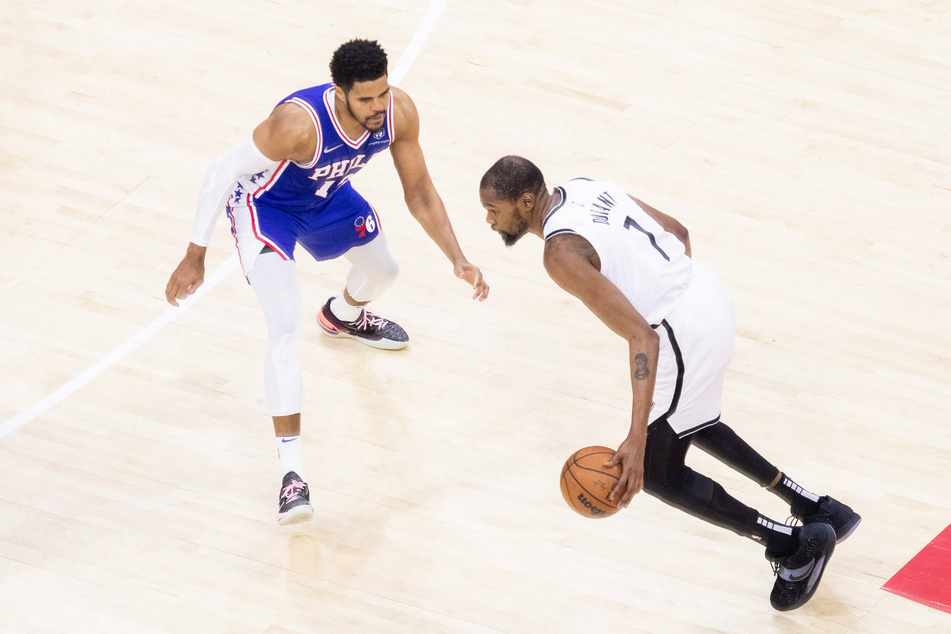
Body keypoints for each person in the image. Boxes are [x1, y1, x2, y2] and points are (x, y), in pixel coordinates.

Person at [478, 156, 859, 611]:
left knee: (654, 470)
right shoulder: (584, 185)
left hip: (681, 333)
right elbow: (679, 232)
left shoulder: (559, 255)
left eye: (493, 209)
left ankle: (789, 544)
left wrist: (635, 437)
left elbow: (641, 337)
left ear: (525, 202)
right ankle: (818, 507)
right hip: (708, 296)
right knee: (689, 420)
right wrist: (678, 297)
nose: (488, 219)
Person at [165, 39, 489, 526]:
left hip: (327, 198)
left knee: (385, 272)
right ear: (340, 93)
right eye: (365, 100)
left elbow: (419, 190)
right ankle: (292, 476)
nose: (378, 107)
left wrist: (457, 257)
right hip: (267, 210)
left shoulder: (398, 111)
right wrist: (195, 254)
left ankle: (343, 316)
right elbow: (222, 168)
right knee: (285, 325)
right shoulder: (298, 125)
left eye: (382, 93)